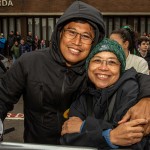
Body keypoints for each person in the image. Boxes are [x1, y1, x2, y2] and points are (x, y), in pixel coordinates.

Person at [0, 1, 150, 145]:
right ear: (60, 33)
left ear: (94, 41)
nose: (77, 41)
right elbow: (3, 97)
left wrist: (147, 98)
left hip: (83, 144)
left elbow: (135, 77)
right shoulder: (29, 62)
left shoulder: (95, 70)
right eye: (71, 32)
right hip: (38, 145)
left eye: (86, 36)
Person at [60, 38, 149, 149]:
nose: (103, 68)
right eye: (97, 60)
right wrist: (109, 136)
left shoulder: (131, 89)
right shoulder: (84, 95)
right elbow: (67, 138)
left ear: (120, 68)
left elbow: (132, 138)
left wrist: (85, 127)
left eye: (112, 62)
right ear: (88, 66)